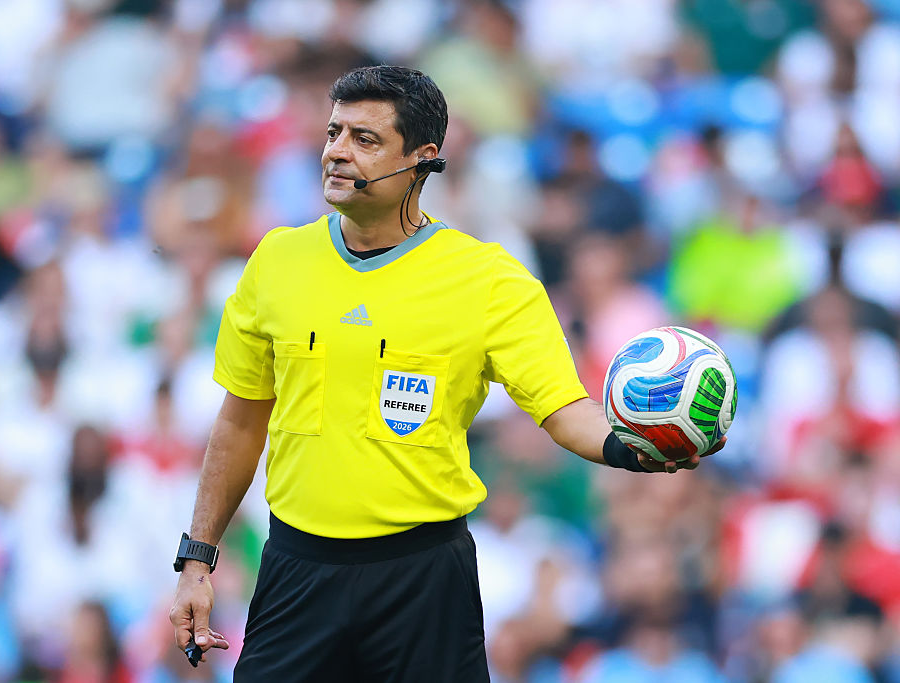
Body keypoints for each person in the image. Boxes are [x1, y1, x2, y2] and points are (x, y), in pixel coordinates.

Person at [168, 65, 725, 682]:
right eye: (334, 132)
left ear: (423, 157)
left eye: (365, 139)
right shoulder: (276, 261)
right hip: (297, 567)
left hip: (424, 577)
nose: (337, 152)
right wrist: (198, 559)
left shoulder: (489, 281)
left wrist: (631, 449)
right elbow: (241, 421)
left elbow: (564, 410)